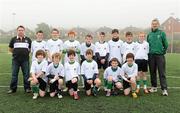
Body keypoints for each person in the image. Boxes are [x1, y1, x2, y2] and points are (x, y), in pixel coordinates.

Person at [147, 19, 169, 96]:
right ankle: (154, 87)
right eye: (153, 24)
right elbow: (147, 46)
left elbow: (166, 44)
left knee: (162, 72)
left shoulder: (162, 33)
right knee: (152, 72)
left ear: (158, 24)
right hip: (151, 56)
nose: (154, 25)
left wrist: (163, 51)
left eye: (156, 24)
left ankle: (164, 89)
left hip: (160, 56)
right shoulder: (149, 34)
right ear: (151, 25)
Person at [8, 25, 32, 94]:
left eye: (22, 30)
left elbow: (29, 49)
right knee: (14, 75)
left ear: (24, 31)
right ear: (17, 31)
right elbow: (10, 49)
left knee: (26, 75)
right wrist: (16, 53)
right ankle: (13, 89)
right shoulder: (13, 39)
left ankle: (27, 88)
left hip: (25, 60)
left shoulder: (28, 39)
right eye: (19, 30)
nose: (20, 31)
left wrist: (24, 53)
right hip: (16, 60)